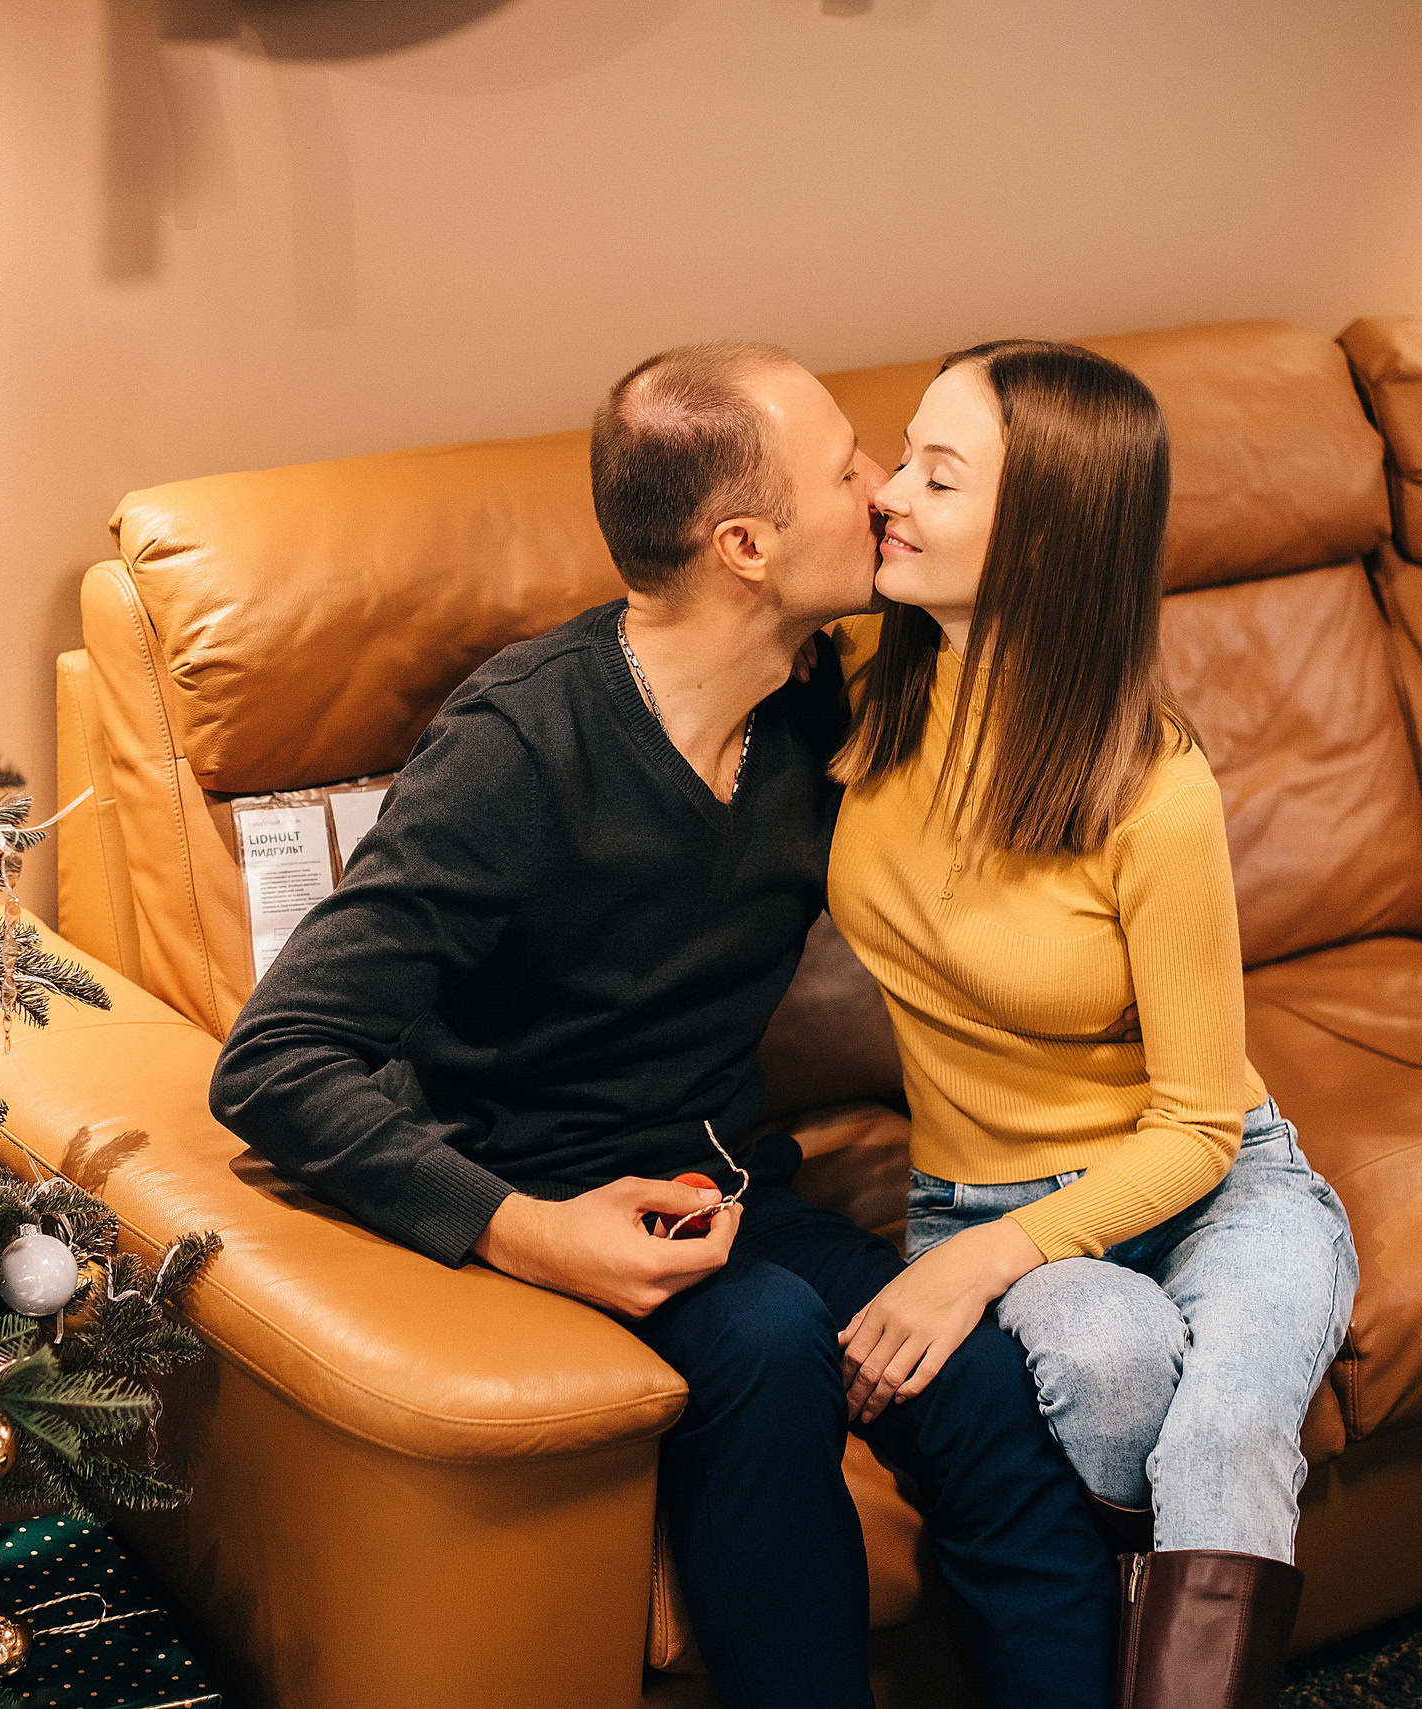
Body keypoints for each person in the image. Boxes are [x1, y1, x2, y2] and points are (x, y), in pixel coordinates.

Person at [210, 341, 1116, 1709]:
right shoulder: (519, 747)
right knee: (761, 1341)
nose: (880, 490)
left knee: (984, 1382)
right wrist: (528, 1230)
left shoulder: (824, 698)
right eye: (846, 469)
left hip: (727, 1180)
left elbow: (1037, 641)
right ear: (746, 544)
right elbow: (273, 1060)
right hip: (528, 1200)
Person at [824, 338, 1360, 1709]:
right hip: (984, 1185)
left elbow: (1193, 1123)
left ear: (1051, 544)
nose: (888, 493)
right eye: (903, 457)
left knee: (1228, 1427)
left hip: (1218, 1185)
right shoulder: (849, 685)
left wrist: (976, 1265)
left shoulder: (1153, 785)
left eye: (939, 479)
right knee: (1110, 1355)